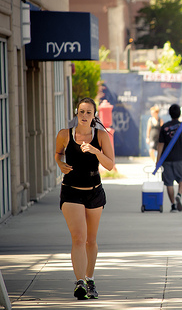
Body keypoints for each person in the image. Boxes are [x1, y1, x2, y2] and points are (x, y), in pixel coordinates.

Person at [54, 97, 115, 300]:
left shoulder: (101, 136)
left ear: (94, 115)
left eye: (89, 112)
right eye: (81, 112)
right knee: (78, 237)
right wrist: (59, 163)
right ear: (76, 113)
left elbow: (109, 165)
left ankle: (90, 279)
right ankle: (79, 282)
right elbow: (57, 154)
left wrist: (95, 151)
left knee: (91, 240)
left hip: (94, 191)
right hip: (71, 191)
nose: (84, 116)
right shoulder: (65, 134)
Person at [157, 104, 182, 213]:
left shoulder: (164, 127)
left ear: (169, 114)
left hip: (167, 159)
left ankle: (173, 205)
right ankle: (179, 194)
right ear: (179, 113)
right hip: (180, 158)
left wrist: (158, 160)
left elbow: (160, 144)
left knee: (169, 183)